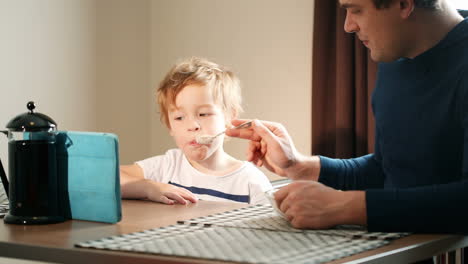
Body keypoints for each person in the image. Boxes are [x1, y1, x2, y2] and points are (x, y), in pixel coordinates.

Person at [226, 0, 468, 234]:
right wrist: (300, 166)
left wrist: (345, 206)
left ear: (404, 4)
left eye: (356, 10)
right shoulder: (395, 58)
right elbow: (388, 171)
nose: (348, 26)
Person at [120, 57, 272, 205]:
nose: (192, 126)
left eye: (203, 114)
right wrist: (149, 188)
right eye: (179, 117)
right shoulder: (168, 166)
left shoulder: (251, 182)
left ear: (229, 117)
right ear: (169, 126)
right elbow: (106, 177)